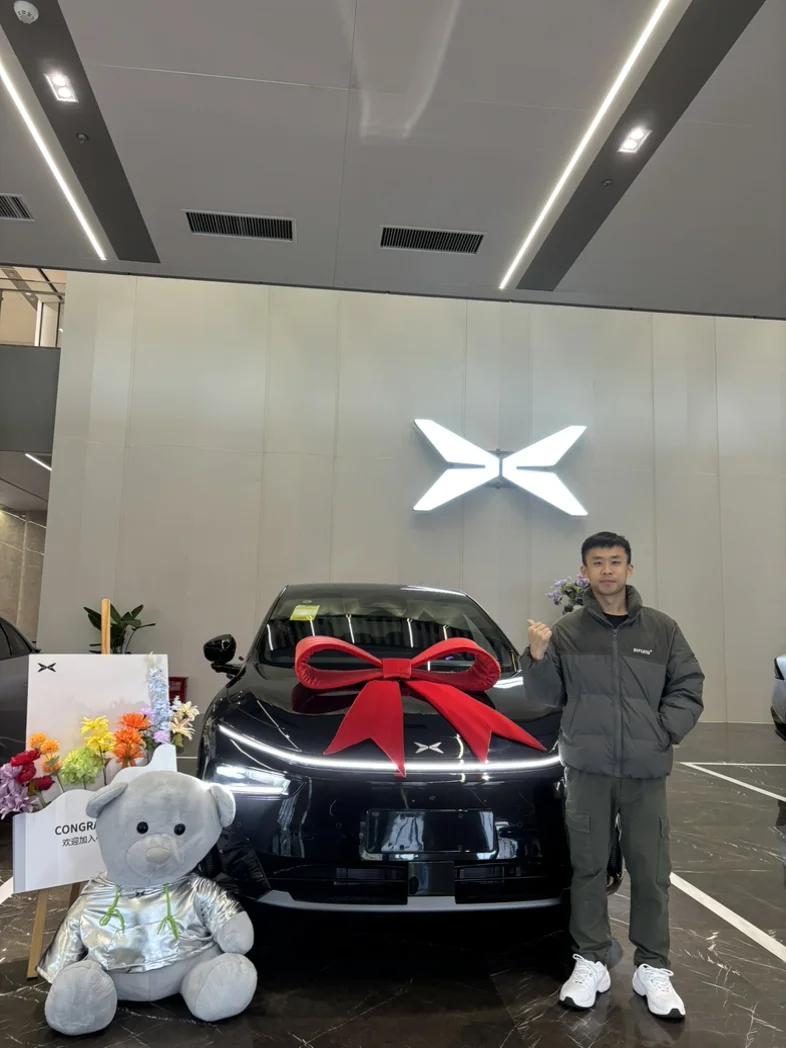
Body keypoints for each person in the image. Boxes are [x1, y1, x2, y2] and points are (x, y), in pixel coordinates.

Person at [522, 532, 703, 1021]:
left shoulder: (662, 629)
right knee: (587, 867)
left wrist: (663, 731)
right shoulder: (567, 632)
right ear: (584, 573)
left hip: (645, 771)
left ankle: (653, 966)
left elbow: (688, 685)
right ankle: (591, 959)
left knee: (651, 870)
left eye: (615, 561)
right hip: (588, 769)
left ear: (629, 569)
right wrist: (536, 657)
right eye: (597, 562)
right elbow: (546, 696)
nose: (607, 570)